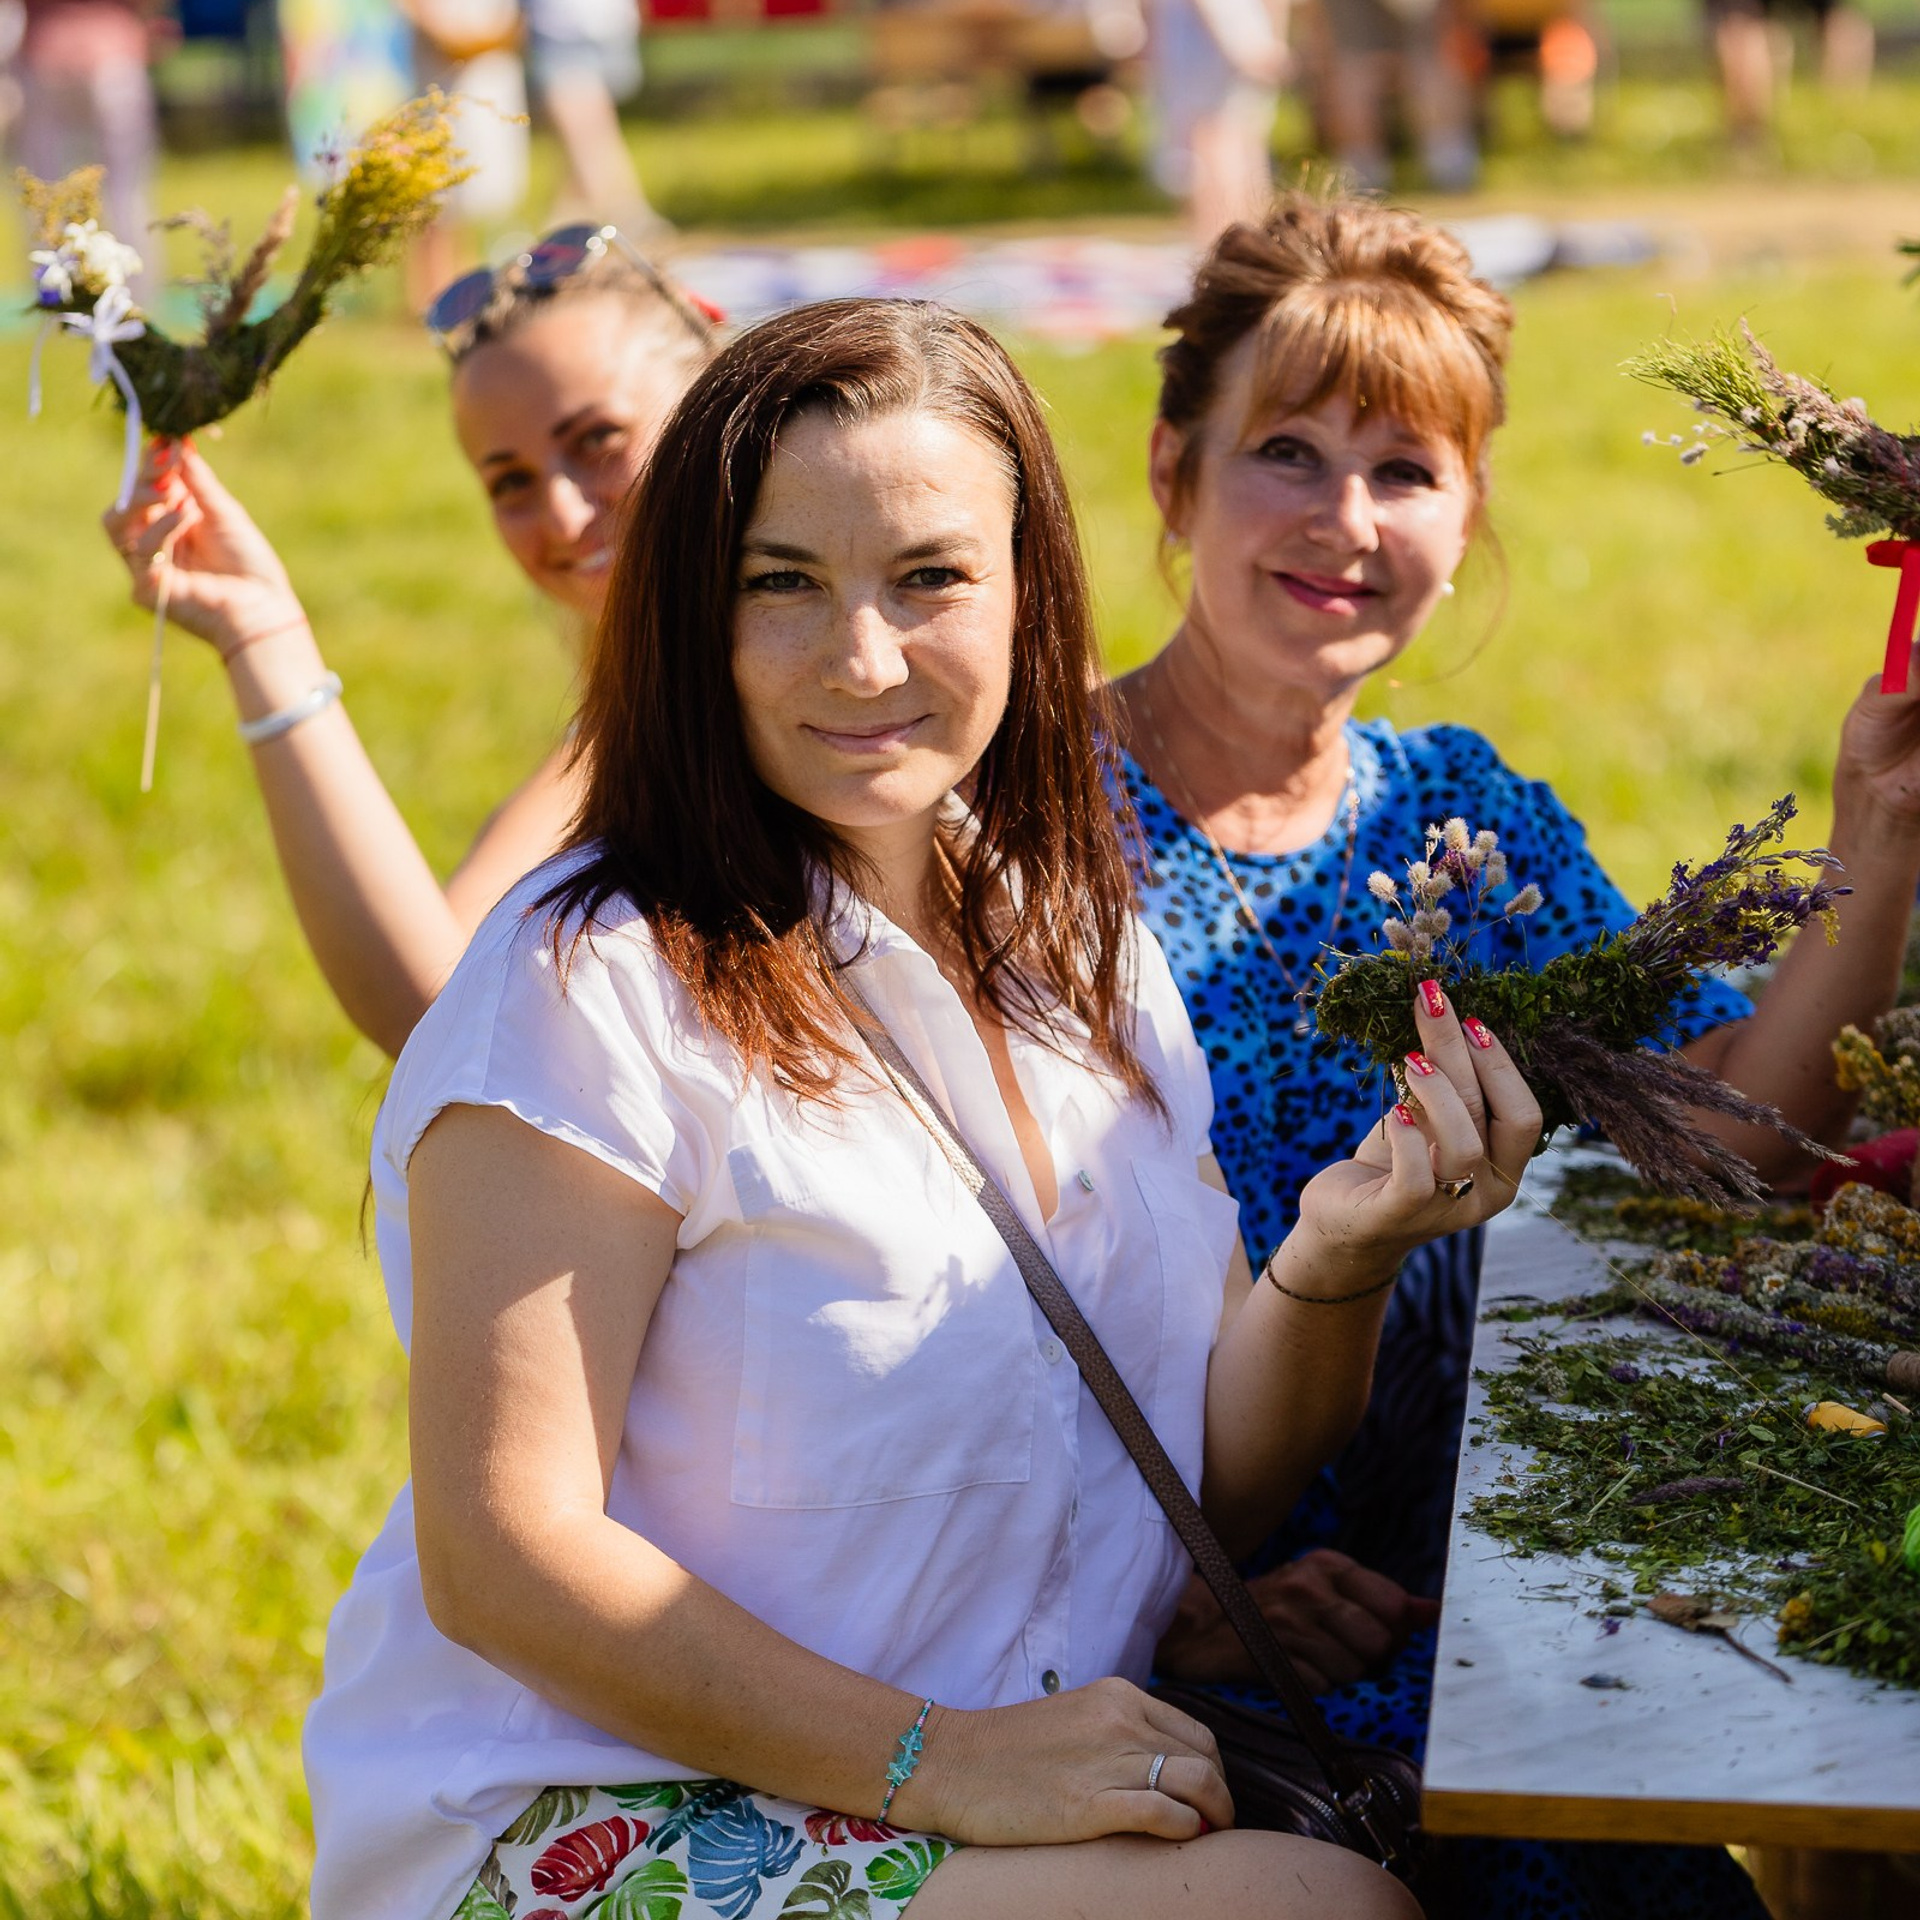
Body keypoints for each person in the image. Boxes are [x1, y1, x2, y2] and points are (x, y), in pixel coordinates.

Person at [302, 295, 1540, 1920]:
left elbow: (1190, 1485)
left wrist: (1341, 1254)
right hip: (599, 1812)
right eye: (783, 583)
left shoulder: (1077, 939)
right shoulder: (584, 983)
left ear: (1030, 593)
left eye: (931, 577)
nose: (865, 658)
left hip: (985, 1779)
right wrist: (938, 1762)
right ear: (694, 614)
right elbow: (503, 1559)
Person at [1111, 192, 1920, 1917]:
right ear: (1175, 472)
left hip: (1460, 1610)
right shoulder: (1021, 824)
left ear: (1469, 516)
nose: (1346, 518)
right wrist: (1154, 1590)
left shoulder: (1457, 816)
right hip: (1132, 1665)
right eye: (1287, 451)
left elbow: (1736, 1137)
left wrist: (1877, 834)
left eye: (1405, 469)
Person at [99, 228, 719, 1057]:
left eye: (598, 440)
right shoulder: (639, 720)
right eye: (511, 482)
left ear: (721, 393)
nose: (564, 515)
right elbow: (434, 1006)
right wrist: (261, 634)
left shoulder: (839, 643)